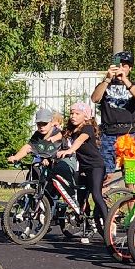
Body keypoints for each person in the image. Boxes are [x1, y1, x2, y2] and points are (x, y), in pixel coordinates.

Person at [58, 102, 107, 244]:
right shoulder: (71, 129)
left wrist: (70, 150)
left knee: (96, 195)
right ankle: (88, 227)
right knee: (81, 198)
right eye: (71, 113)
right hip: (84, 168)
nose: (73, 116)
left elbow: (79, 141)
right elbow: (57, 138)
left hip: (96, 167)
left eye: (77, 114)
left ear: (86, 117)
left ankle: (108, 224)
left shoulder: (88, 128)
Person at [90, 51, 135, 171]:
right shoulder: (104, 85)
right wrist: (107, 79)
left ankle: (129, 191)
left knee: (131, 173)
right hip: (108, 133)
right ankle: (105, 190)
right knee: (105, 173)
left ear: (130, 68)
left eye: (125, 66)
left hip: (128, 133)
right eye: (118, 65)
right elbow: (95, 98)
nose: (121, 68)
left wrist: (125, 81)